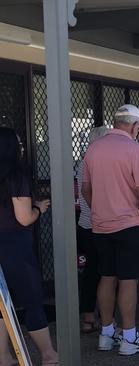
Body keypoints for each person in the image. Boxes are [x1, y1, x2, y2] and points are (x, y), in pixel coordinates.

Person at [82, 104, 139, 355]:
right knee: (128, 280)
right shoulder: (136, 149)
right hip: (130, 224)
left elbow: (85, 188)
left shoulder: (93, 148)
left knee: (106, 276)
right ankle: (129, 337)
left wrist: (100, 209)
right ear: (135, 125)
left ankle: (106, 333)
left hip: (101, 225)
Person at [0, 127, 58, 366]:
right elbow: (24, 218)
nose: (23, 147)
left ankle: (3, 357)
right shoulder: (16, 176)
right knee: (33, 301)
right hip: (16, 247)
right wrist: (39, 209)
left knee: (1, 303)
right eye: (20, 144)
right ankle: (49, 355)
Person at [77, 125, 108, 334]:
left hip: (85, 224)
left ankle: (89, 317)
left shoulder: (82, 162)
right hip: (97, 225)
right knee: (104, 273)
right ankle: (100, 318)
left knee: (91, 273)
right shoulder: (96, 162)